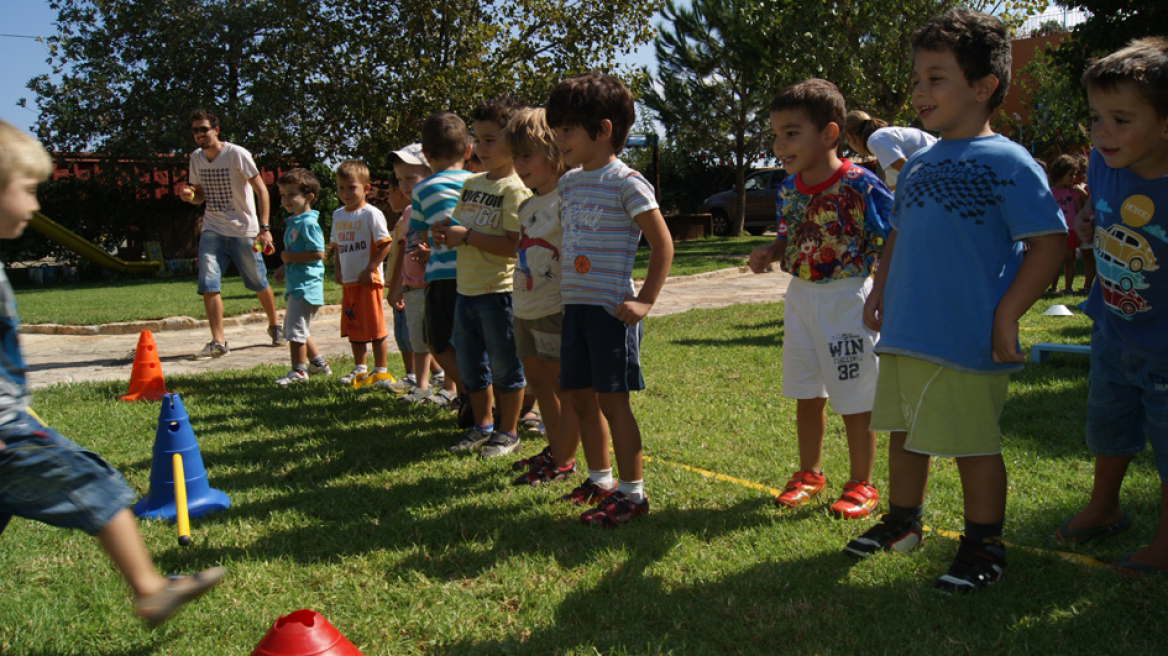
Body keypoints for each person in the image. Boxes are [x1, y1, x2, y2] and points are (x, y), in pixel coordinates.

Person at [842, 9, 1066, 593]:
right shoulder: (915, 165)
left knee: (972, 444)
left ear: (984, 87)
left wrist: (1007, 313)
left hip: (967, 333)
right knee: (903, 432)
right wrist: (880, 290)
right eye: (917, 78)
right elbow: (898, 235)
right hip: (907, 330)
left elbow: (1050, 242)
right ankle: (902, 523)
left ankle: (984, 546)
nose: (919, 90)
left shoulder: (1010, 162)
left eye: (936, 77)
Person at [0, 118, 225, 628]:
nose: (35, 206)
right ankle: (149, 590)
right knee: (95, 480)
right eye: (27, 190)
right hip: (7, 433)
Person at [747, 79, 893, 520]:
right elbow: (789, 232)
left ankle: (861, 483)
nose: (779, 144)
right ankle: (809, 473)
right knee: (806, 391)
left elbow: (894, 239)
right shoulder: (789, 187)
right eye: (775, 134)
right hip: (800, 299)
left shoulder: (860, 184)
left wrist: (881, 293)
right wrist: (772, 252)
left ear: (830, 134)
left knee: (853, 394)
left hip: (847, 298)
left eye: (791, 133)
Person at [1052, 37, 1168, 579]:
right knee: (1107, 427)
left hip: (1164, 345)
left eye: (1121, 119)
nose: (1102, 132)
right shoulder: (1101, 162)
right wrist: (1089, 228)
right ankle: (1105, 506)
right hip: (1113, 328)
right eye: (1096, 117)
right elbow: (1102, 220)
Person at [546, 72, 675, 526]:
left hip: (610, 312)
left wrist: (644, 300)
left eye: (566, 129)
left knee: (612, 401)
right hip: (575, 309)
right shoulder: (568, 182)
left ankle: (632, 494)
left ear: (602, 129)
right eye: (555, 128)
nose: (557, 138)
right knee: (577, 394)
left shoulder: (628, 182)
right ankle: (600, 480)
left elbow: (663, 245)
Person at [433, 96, 533, 458]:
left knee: (506, 365)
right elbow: (460, 226)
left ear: (514, 141)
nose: (480, 147)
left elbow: (514, 246)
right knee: (471, 364)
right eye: (477, 139)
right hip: (467, 290)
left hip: (500, 294)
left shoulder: (515, 190)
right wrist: (443, 234)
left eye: (491, 139)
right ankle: (482, 425)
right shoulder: (471, 182)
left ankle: (508, 431)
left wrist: (467, 237)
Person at [500, 107, 586, 486]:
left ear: (554, 150)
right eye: (515, 156)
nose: (519, 164)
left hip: (556, 309)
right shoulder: (527, 204)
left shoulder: (569, 198)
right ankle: (556, 450)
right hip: (524, 307)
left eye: (526, 155)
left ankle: (564, 460)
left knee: (563, 389)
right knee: (538, 383)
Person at [179, 109, 284, 359]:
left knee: (258, 282)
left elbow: (262, 190)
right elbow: (200, 195)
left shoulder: (236, 154)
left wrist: (265, 228)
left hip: (243, 229)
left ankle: (274, 325)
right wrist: (191, 196)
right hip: (212, 228)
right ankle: (218, 341)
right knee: (208, 281)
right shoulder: (196, 158)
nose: (199, 134)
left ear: (215, 130)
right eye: (195, 131)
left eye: (203, 129)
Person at [409, 113, 475, 416]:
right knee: (475, 340)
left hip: (442, 277)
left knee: (437, 340)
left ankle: (470, 389)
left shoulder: (422, 190)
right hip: (476, 274)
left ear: (426, 154)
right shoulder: (478, 183)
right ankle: (475, 389)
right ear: (468, 150)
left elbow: (422, 234)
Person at [388, 144, 452, 405]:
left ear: (430, 172)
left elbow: (450, 244)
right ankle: (421, 386)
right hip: (413, 287)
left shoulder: (440, 206)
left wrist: (432, 252)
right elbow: (404, 252)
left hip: (435, 285)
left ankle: (450, 387)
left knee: (443, 340)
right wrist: (397, 286)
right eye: (400, 179)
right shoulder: (406, 212)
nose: (403, 185)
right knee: (418, 340)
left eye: (410, 177)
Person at [330, 160, 393, 387]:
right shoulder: (338, 215)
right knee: (354, 325)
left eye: (351, 187)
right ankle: (360, 368)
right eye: (340, 188)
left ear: (366, 188)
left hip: (369, 281)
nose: (345, 193)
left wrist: (370, 269)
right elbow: (337, 247)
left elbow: (386, 244)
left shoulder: (371, 214)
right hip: (349, 281)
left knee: (375, 326)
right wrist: (338, 270)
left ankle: (381, 370)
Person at [270, 168, 331, 386]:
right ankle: (318, 364)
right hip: (297, 284)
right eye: (283, 194)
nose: (285, 199)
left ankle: (299, 371)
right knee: (297, 328)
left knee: (294, 330)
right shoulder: (295, 222)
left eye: (291, 194)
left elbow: (317, 253)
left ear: (309, 197)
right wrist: (283, 267)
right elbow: (294, 255)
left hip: (306, 286)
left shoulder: (308, 223)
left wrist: (288, 256)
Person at [843, 110, 936, 190]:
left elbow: (907, 168)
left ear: (850, 137)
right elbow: (890, 187)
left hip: (938, 172)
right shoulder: (883, 139)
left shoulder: (875, 140)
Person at [1047, 154, 1093, 295]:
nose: (1073, 178)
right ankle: (1053, 287)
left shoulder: (1073, 192)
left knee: (1070, 259)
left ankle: (1068, 287)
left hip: (1072, 230)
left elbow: (1080, 211)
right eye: (1070, 175)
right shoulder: (1050, 192)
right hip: (1057, 230)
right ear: (1060, 174)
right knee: (1055, 260)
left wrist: (1079, 231)